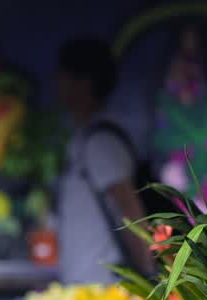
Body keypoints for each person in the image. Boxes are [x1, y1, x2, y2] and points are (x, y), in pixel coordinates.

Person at [54, 35, 156, 285]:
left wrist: (151, 279)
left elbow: (129, 211)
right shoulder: (82, 138)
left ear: (84, 83)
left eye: (62, 76)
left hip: (106, 291)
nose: (56, 83)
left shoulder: (100, 143)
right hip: (88, 289)